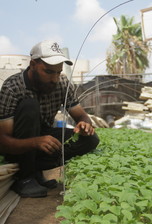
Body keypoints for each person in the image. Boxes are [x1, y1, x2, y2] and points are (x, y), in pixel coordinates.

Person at [0, 40, 100, 198]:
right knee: (29, 106)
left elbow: (80, 114)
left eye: (57, 72)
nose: (54, 78)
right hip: (18, 143)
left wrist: (84, 124)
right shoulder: (13, 87)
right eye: (48, 72)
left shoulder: (61, 83)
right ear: (33, 65)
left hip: (43, 136)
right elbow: (3, 141)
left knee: (91, 139)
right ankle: (25, 177)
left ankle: (34, 169)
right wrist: (35, 142)